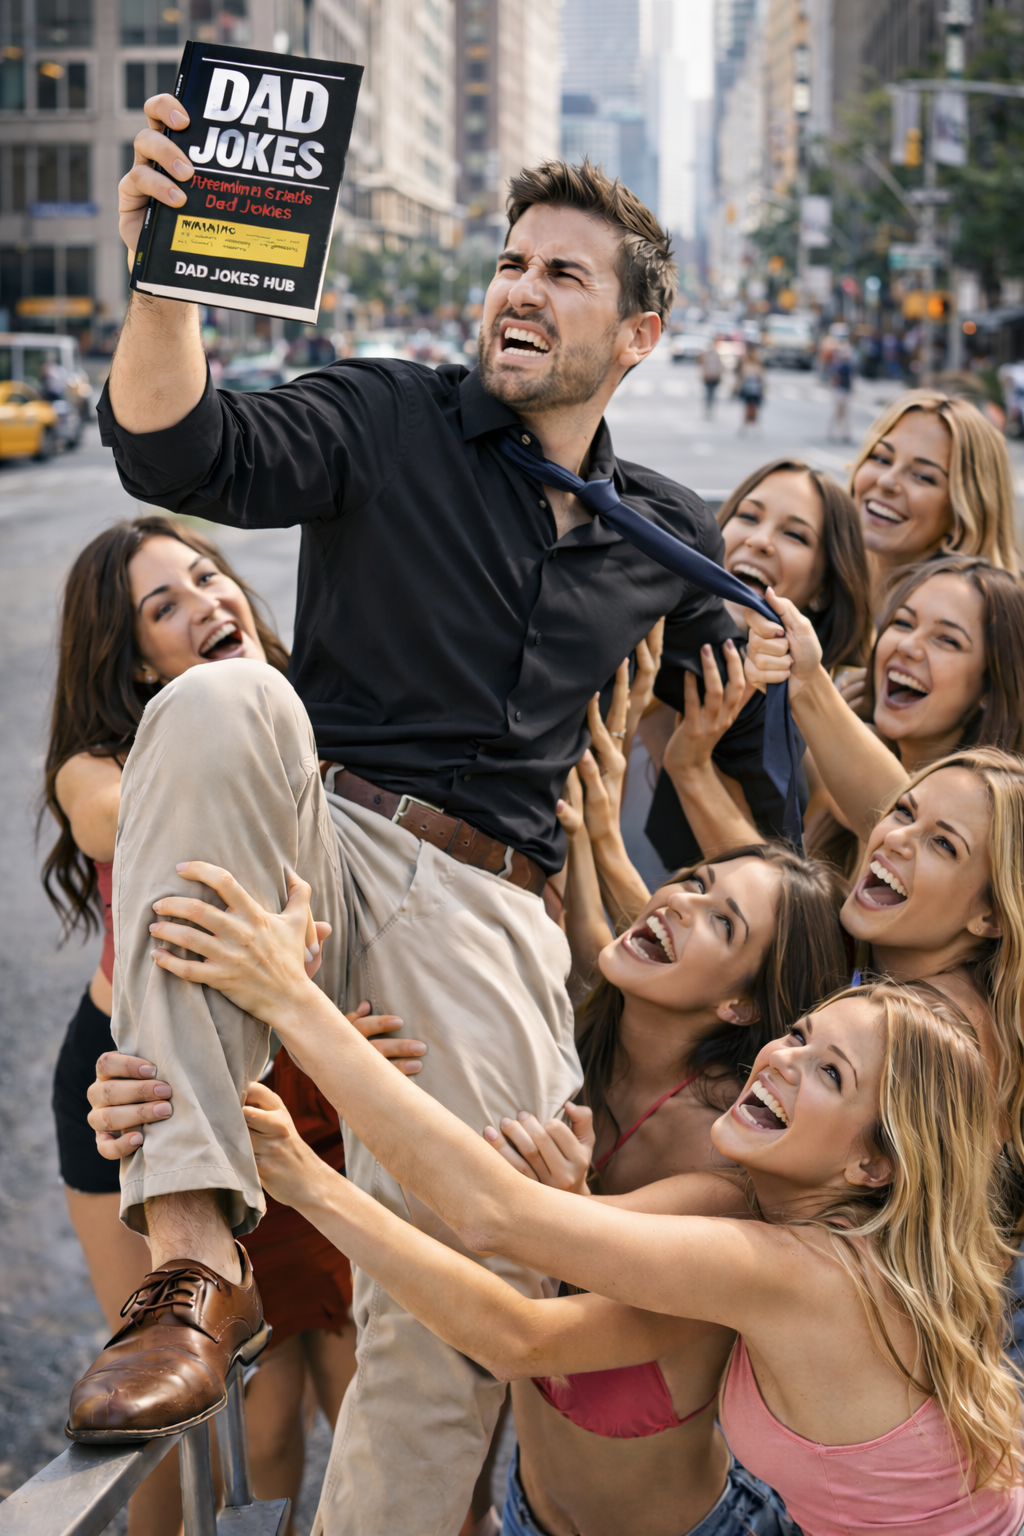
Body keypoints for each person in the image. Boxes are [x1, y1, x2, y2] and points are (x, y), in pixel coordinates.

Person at [71, 113, 792, 1535]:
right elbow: (177, 448)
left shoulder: (666, 529)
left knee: (473, 1302)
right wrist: (165, 273)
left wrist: (765, 679)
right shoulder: (385, 411)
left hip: (491, 911)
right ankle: (193, 1256)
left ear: (643, 331)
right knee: (220, 705)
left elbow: (757, 747)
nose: (520, 289)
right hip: (317, 837)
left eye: (565, 276)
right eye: (511, 264)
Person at [114, 870, 1024, 1535]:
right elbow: (507, 1244)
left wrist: (289, 1003)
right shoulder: (796, 1231)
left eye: (830, 1073)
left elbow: (503, 1251)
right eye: (801, 1034)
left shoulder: (795, 1265)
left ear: (877, 1165)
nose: (783, 1059)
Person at [43, 516, 423, 1535]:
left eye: (208, 577)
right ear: (129, 662)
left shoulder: (304, 731)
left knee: (324, 1378)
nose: (204, 601)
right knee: (161, 1383)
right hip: (137, 1076)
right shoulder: (104, 760)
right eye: (161, 607)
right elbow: (104, 817)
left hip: (293, 1070)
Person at [660, 552, 1024, 874]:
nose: (909, 646)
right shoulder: (823, 773)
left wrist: (808, 684)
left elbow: (891, 815)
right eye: (902, 622)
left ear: (990, 689)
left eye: (947, 640)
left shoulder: (1000, 823)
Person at [639, 460, 872, 869]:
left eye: (795, 535)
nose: (760, 541)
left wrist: (691, 768)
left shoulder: (803, 750)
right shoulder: (640, 660)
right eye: (748, 516)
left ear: (823, 590)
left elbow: (775, 899)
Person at [851, 389, 1019, 610]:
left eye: (922, 476)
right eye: (881, 458)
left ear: (963, 515)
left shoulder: (983, 622)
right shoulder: (819, 578)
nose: (886, 481)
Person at [734, 349, 764, 435]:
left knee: (746, 409)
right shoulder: (758, 367)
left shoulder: (745, 366)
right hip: (755, 391)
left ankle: (744, 427)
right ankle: (757, 428)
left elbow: (741, 378)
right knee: (756, 410)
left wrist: (737, 388)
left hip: (747, 390)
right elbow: (762, 379)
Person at [698, 338, 723, 419]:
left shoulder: (716, 355)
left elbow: (720, 366)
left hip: (714, 377)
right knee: (708, 393)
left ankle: (711, 409)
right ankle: (707, 409)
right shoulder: (706, 355)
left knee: (713, 394)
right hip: (708, 377)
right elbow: (703, 365)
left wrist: (719, 374)